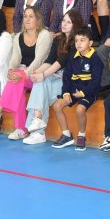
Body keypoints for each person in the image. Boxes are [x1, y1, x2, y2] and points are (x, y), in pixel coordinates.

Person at [0, 6, 53, 140]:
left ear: (38, 19)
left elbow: (38, 60)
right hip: (23, 73)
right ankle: (20, 129)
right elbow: (15, 59)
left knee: (17, 80)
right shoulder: (18, 36)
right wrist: (10, 70)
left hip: (40, 74)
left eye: (31, 16)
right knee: (15, 83)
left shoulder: (44, 35)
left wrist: (23, 74)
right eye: (25, 16)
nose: (27, 19)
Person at [23, 11, 83, 145]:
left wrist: (43, 75)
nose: (64, 24)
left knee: (41, 84)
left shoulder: (77, 41)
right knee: (40, 83)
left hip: (70, 81)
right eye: (63, 21)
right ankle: (38, 121)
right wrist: (37, 72)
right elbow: (50, 60)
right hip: (56, 76)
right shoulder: (58, 39)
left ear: (75, 25)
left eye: (69, 22)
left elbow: (61, 61)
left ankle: (38, 131)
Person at [51, 27, 105, 151]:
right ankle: (66, 135)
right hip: (73, 90)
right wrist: (65, 92)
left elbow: (96, 82)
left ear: (90, 43)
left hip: (89, 92)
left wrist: (83, 93)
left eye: (82, 40)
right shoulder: (72, 57)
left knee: (80, 109)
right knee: (57, 106)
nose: (78, 43)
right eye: (76, 41)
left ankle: (81, 135)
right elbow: (66, 77)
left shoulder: (96, 59)